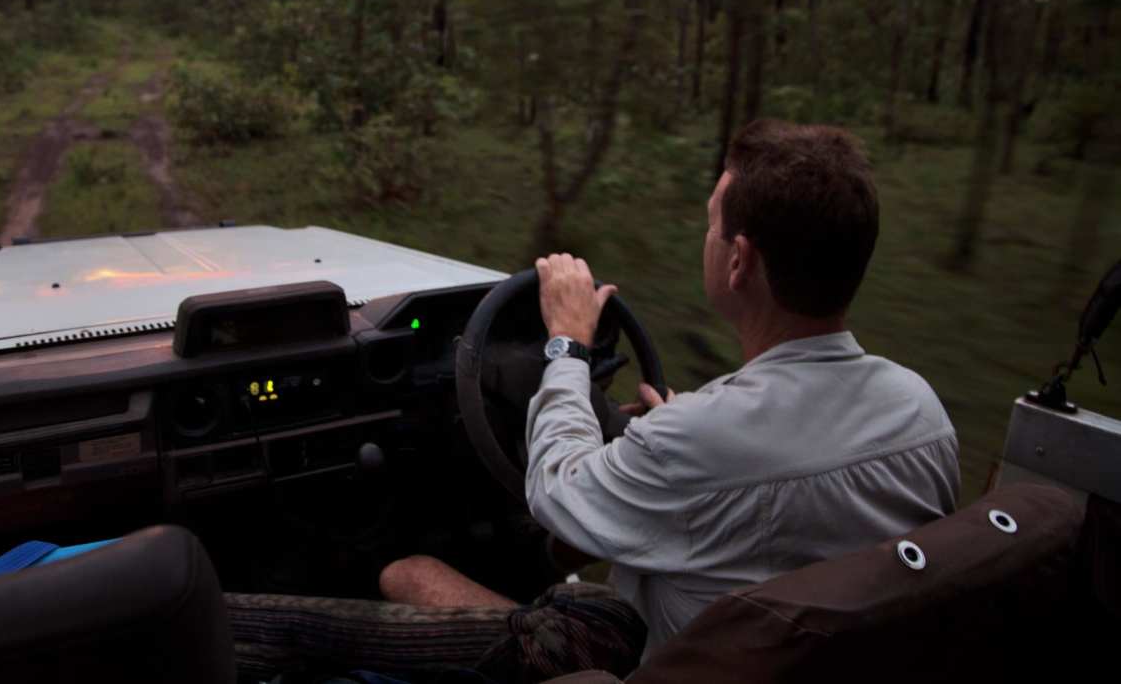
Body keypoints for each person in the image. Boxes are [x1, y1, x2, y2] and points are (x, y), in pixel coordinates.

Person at [381, 119, 961, 655]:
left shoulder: (697, 439)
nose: (706, 236)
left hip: (645, 665)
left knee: (404, 573)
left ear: (739, 260)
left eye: (712, 224)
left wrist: (567, 345)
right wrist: (668, 435)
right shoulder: (922, 411)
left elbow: (555, 491)